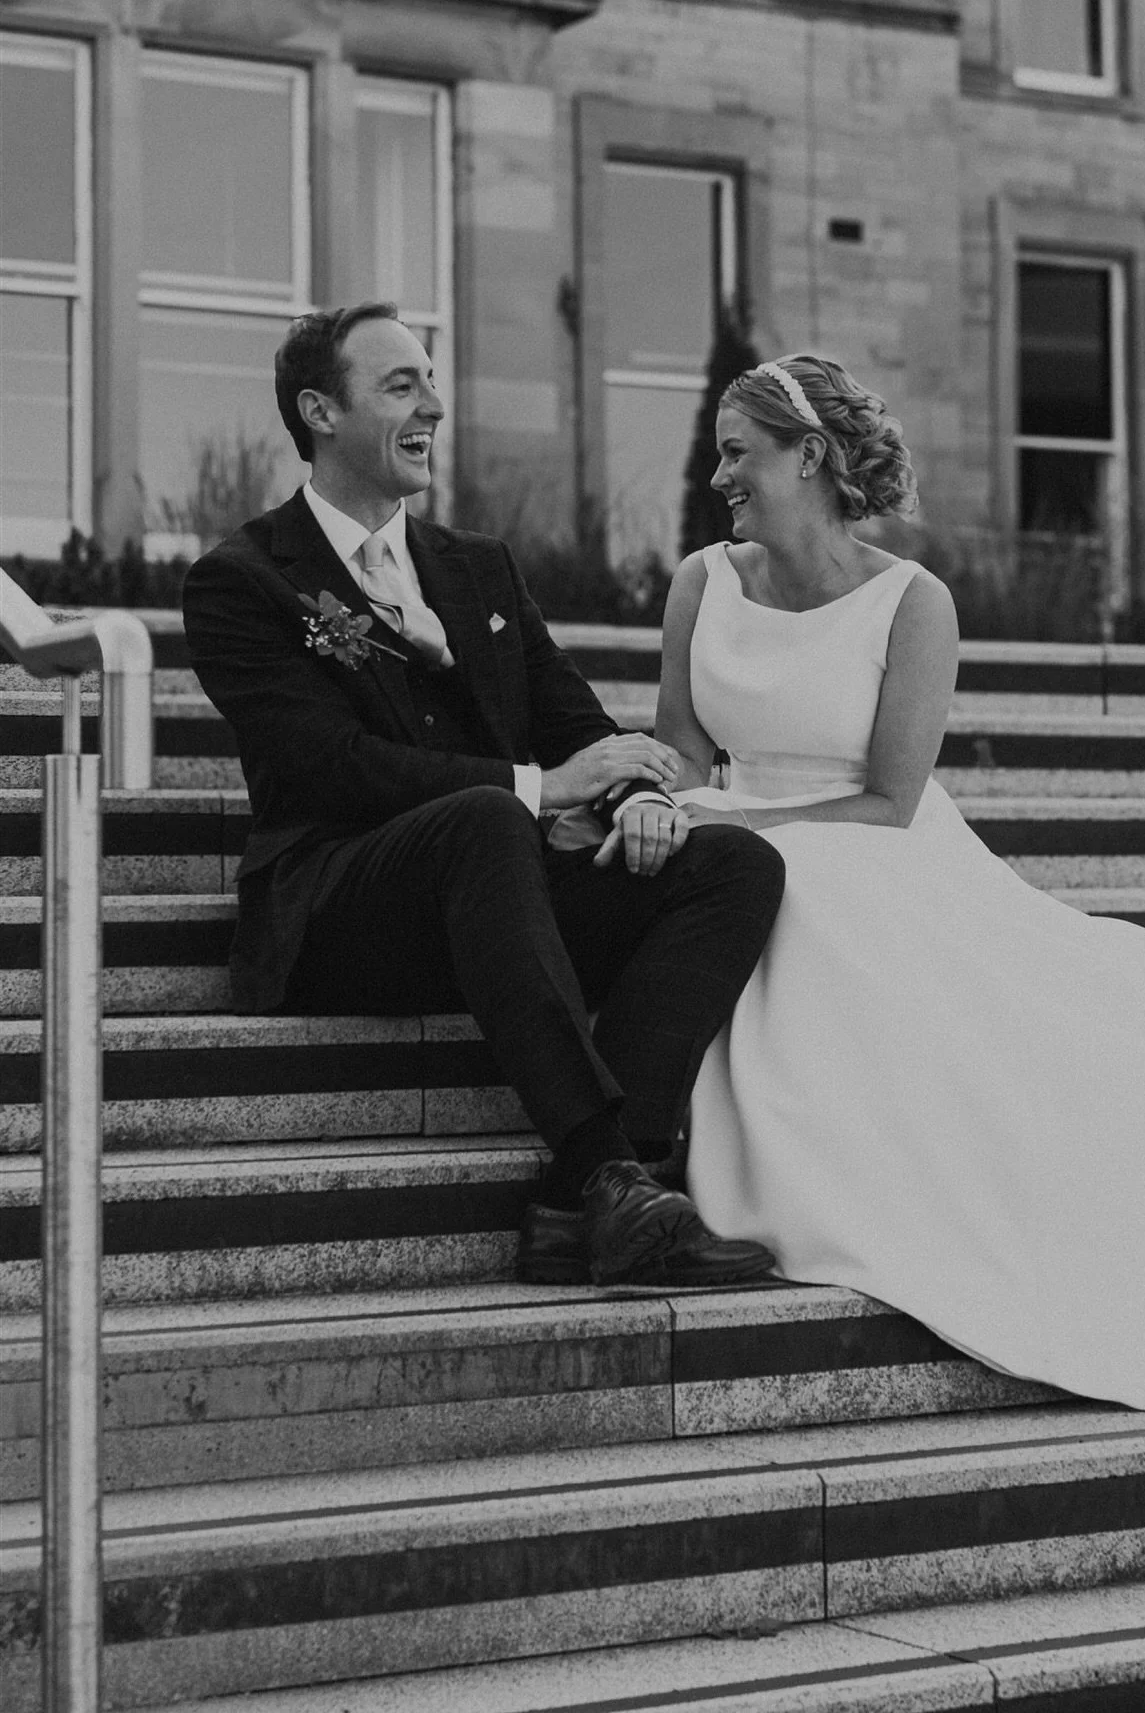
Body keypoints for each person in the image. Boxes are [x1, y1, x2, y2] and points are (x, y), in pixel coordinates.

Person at [654, 353, 1145, 1411]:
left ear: (811, 458)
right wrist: (665, 804)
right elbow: (680, 762)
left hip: (879, 854)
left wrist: (729, 822)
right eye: (717, 456)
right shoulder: (701, 584)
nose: (719, 477)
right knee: (743, 887)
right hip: (733, 840)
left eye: (738, 453)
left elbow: (889, 803)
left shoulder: (913, 603)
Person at [182, 302, 786, 1289]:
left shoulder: (479, 570)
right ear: (318, 412)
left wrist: (635, 792)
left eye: (431, 379)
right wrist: (541, 788)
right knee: (486, 815)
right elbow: (328, 766)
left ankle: (581, 1203)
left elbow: (580, 725)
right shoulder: (244, 581)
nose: (435, 405)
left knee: (730, 864)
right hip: (345, 913)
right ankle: (612, 1178)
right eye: (401, 385)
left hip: (501, 909)